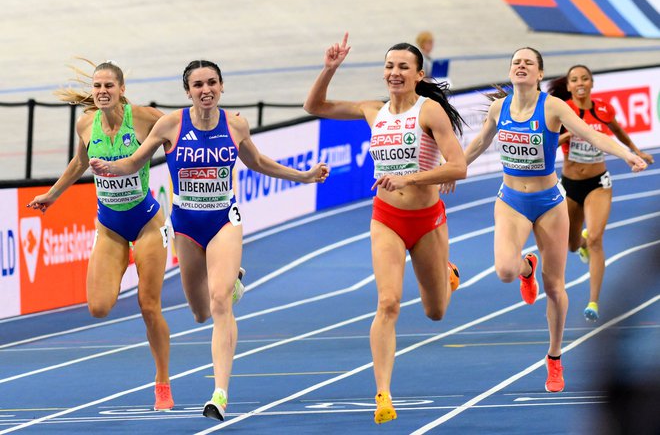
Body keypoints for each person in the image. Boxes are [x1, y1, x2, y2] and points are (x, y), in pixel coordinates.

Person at [89, 59, 329, 421]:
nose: (206, 90)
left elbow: (260, 162)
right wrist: (109, 168)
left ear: (221, 87)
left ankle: (219, 393)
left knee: (219, 304)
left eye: (212, 83)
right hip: (185, 225)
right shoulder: (170, 125)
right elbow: (135, 162)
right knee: (200, 311)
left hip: (223, 221)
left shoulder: (236, 125)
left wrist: (305, 176)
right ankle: (231, 284)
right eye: (198, 85)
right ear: (188, 91)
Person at [462, 48, 647, 394]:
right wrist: (451, 167)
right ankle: (525, 269)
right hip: (511, 200)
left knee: (555, 288)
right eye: (516, 62)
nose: (520, 66)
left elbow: (593, 135)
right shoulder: (498, 108)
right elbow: (477, 145)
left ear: (538, 74)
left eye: (527, 63)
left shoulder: (552, 107)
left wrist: (627, 154)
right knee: (504, 270)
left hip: (549, 203)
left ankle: (554, 356)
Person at [304, 33, 466, 425]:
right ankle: (383, 394)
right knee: (388, 303)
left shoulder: (430, 112)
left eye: (403, 67)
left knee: (436, 311)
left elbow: (459, 166)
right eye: (390, 66)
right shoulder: (371, 110)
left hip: (426, 221)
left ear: (418, 74)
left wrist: (411, 177)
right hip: (387, 219)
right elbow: (314, 106)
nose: (395, 72)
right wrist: (330, 68)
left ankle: (447, 274)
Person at [26, 60, 177, 410]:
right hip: (109, 226)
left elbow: (178, 132)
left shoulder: (143, 118)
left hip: (146, 224)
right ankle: (123, 255)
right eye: (97, 86)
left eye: (109, 85)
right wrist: (52, 194)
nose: (103, 91)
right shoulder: (85, 124)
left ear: (122, 89)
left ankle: (162, 385)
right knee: (98, 307)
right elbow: (80, 163)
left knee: (148, 306)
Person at [547, 65, 654, 323]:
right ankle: (580, 243)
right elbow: (547, 143)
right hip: (571, 185)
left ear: (592, 83)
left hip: (598, 182)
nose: (580, 83)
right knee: (573, 244)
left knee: (596, 238)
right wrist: (569, 135)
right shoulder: (562, 112)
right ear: (569, 86)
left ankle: (593, 302)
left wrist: (635, 151)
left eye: (585, 78)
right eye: (575, 80)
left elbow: (617, 131)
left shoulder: (603, 109)